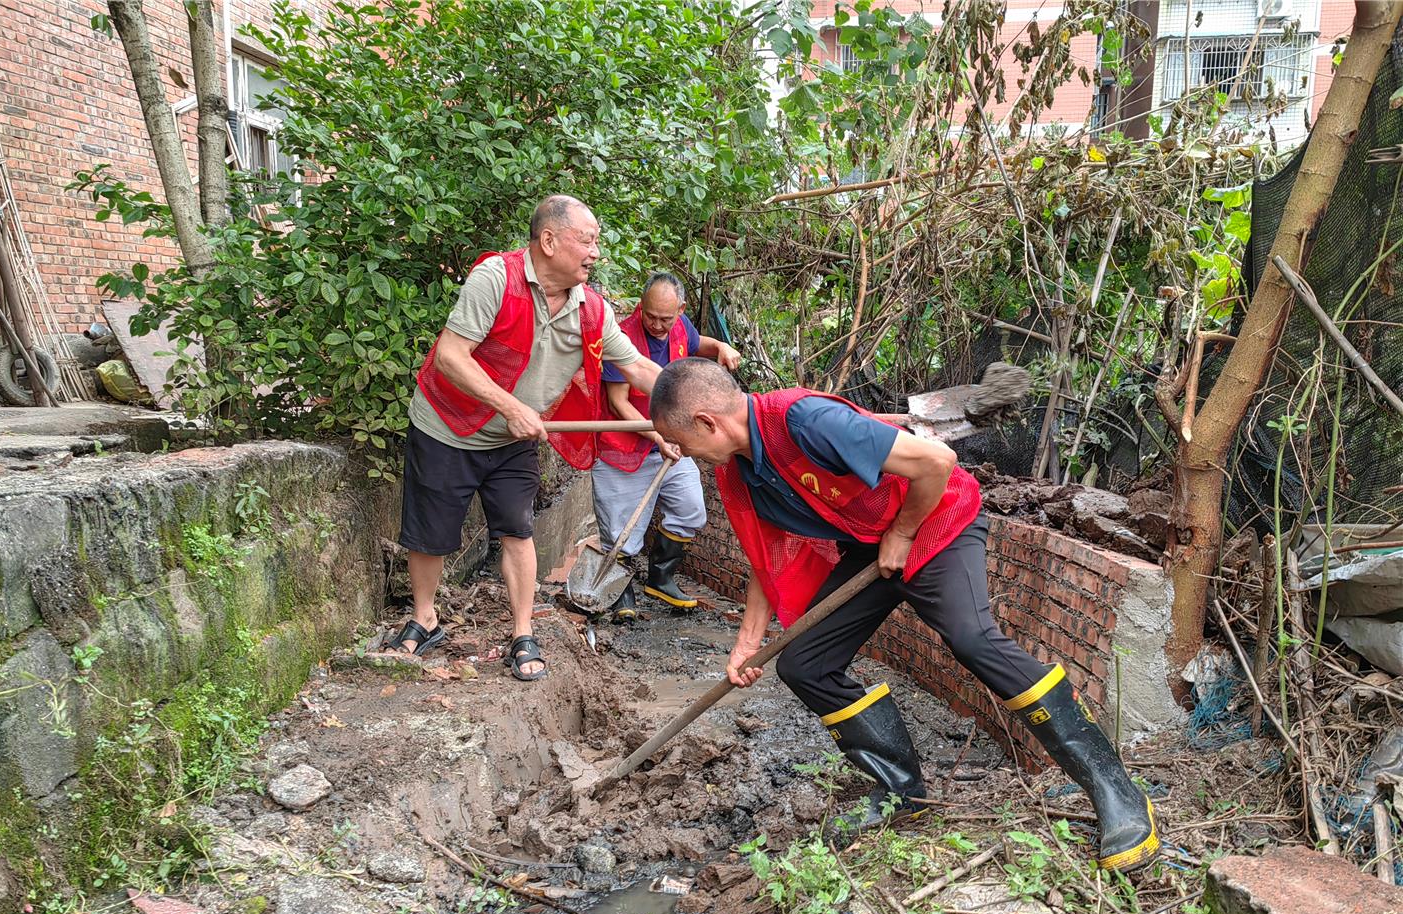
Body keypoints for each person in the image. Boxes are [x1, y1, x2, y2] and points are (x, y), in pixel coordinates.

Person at [648, 359, 1159, 872]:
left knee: (972, 639)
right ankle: (901, 792)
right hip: (872, 548)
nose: (683, 455)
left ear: (707, 422)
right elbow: (766, 557)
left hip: (937, 522)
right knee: (804, 664)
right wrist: (746, 643)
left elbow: (936, 461)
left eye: (683, 444)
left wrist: (904, 532)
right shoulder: (741, 474)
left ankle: (1115, 790)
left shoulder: (805, 421)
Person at [391, 195, 662, 680]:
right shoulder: (496, 278)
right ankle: (424, 617)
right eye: (587, 239)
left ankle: (521, 631)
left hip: (513, 438)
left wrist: (690, 408)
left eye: (596, 242)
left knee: (518, 528)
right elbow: (452, 356)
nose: (595, 251)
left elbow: (638, 367)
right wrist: (513, 406)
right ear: (550, 240)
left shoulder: (591, 310)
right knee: (430, 535)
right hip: (448, 424)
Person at [593, 272, 741, 619]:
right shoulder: (623, 337)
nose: (658, 325)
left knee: (691, 509)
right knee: (621, 529)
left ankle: (660, 577)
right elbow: (619, 402)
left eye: (666, 318)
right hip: (625, 447)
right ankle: (619, 590)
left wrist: (719, 347)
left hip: (672, 444)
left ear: (681, 310)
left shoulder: (680, 326)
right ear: (640, 307)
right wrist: (658, 435)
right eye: (651, 316)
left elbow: (694, 342)